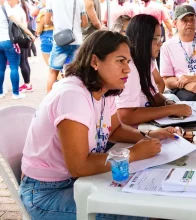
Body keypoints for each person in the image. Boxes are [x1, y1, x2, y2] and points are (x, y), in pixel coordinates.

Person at [19, 30, 180, 220]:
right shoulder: (73, 95)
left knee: (154, 198)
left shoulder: (103, 91)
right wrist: (135, 153)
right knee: (145, 213)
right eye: (120, 61)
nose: (127, 69)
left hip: (78, 181)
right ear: (95, 62)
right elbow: (78, 166)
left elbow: (116, 130)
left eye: (128, 62)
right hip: (47, 193)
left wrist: (149, 136)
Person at [117, 14, 192, 126]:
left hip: (145, 127)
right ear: (143, 39)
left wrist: (168, 103)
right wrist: (171, 110)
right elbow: (126, 116)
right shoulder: (130, 68)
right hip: (130, 133)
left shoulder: (145, 61)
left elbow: (154, 95)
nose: (160, 43)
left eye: (160, 38)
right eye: (156, 38)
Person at [45, 0, 88, 92]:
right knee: (76, 74)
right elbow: (85, 23)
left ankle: (48, 100)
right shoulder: (80, 1)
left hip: (60, 42)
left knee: (53, 72)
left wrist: (57, 24)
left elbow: (47, 21)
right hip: (77, 41)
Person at [0, 0, 35, 100]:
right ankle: (16, 94)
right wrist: (30, 34)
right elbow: (18, 23)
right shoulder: (5, 6)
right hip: (8, 41)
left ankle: (0, 92)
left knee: (1, 68)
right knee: (14, 67)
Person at [34, 0, 53, 66]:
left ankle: (60, 76)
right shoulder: (61, 9)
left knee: (52, 67)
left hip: (47, 39)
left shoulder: (43, 11)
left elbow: (39, 30)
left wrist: (36, 32)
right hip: (62, 38)